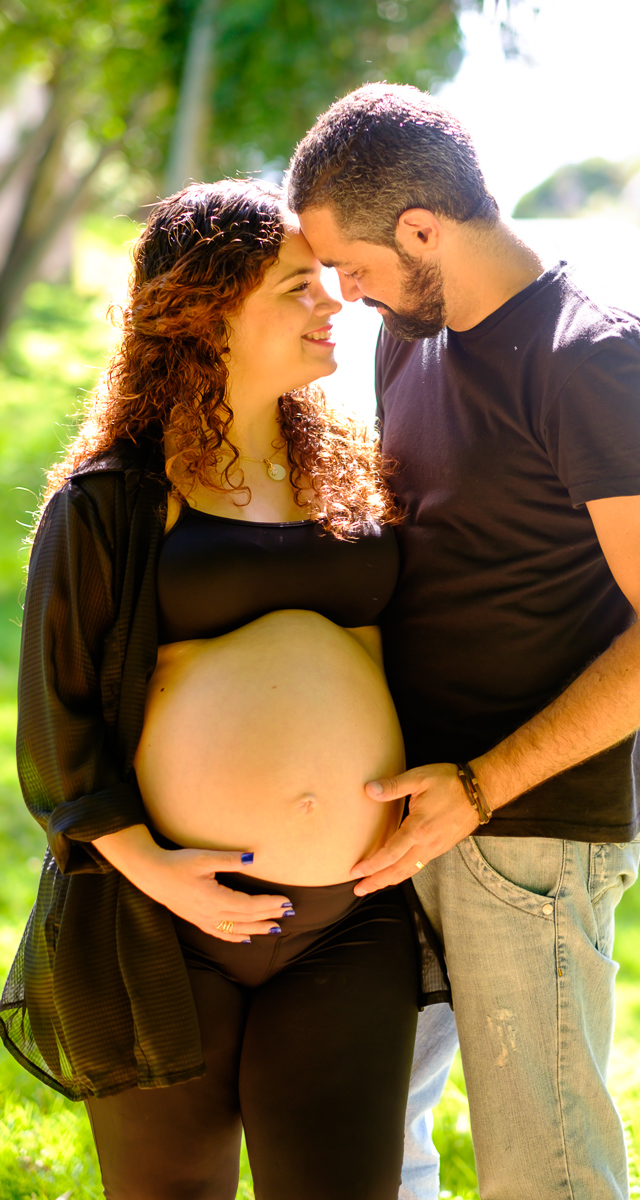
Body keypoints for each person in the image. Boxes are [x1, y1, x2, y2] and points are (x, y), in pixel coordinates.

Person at [287, 84, 640, 1200]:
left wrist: (477, 790)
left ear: (423, 231)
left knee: (544, 1170)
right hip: (402, 819)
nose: (343, 295)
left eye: (353, 265)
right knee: (373, 1148)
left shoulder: (593, 357)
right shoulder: (408, 338)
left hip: (526, 830)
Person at [0, 178, 447, 1200]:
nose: (331, 300)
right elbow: (57, 725)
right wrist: (149, 869)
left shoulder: (352, 475)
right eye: (298, 284)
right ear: (206, 309)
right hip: (163, 930)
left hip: (351, 920)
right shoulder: (113, 498)